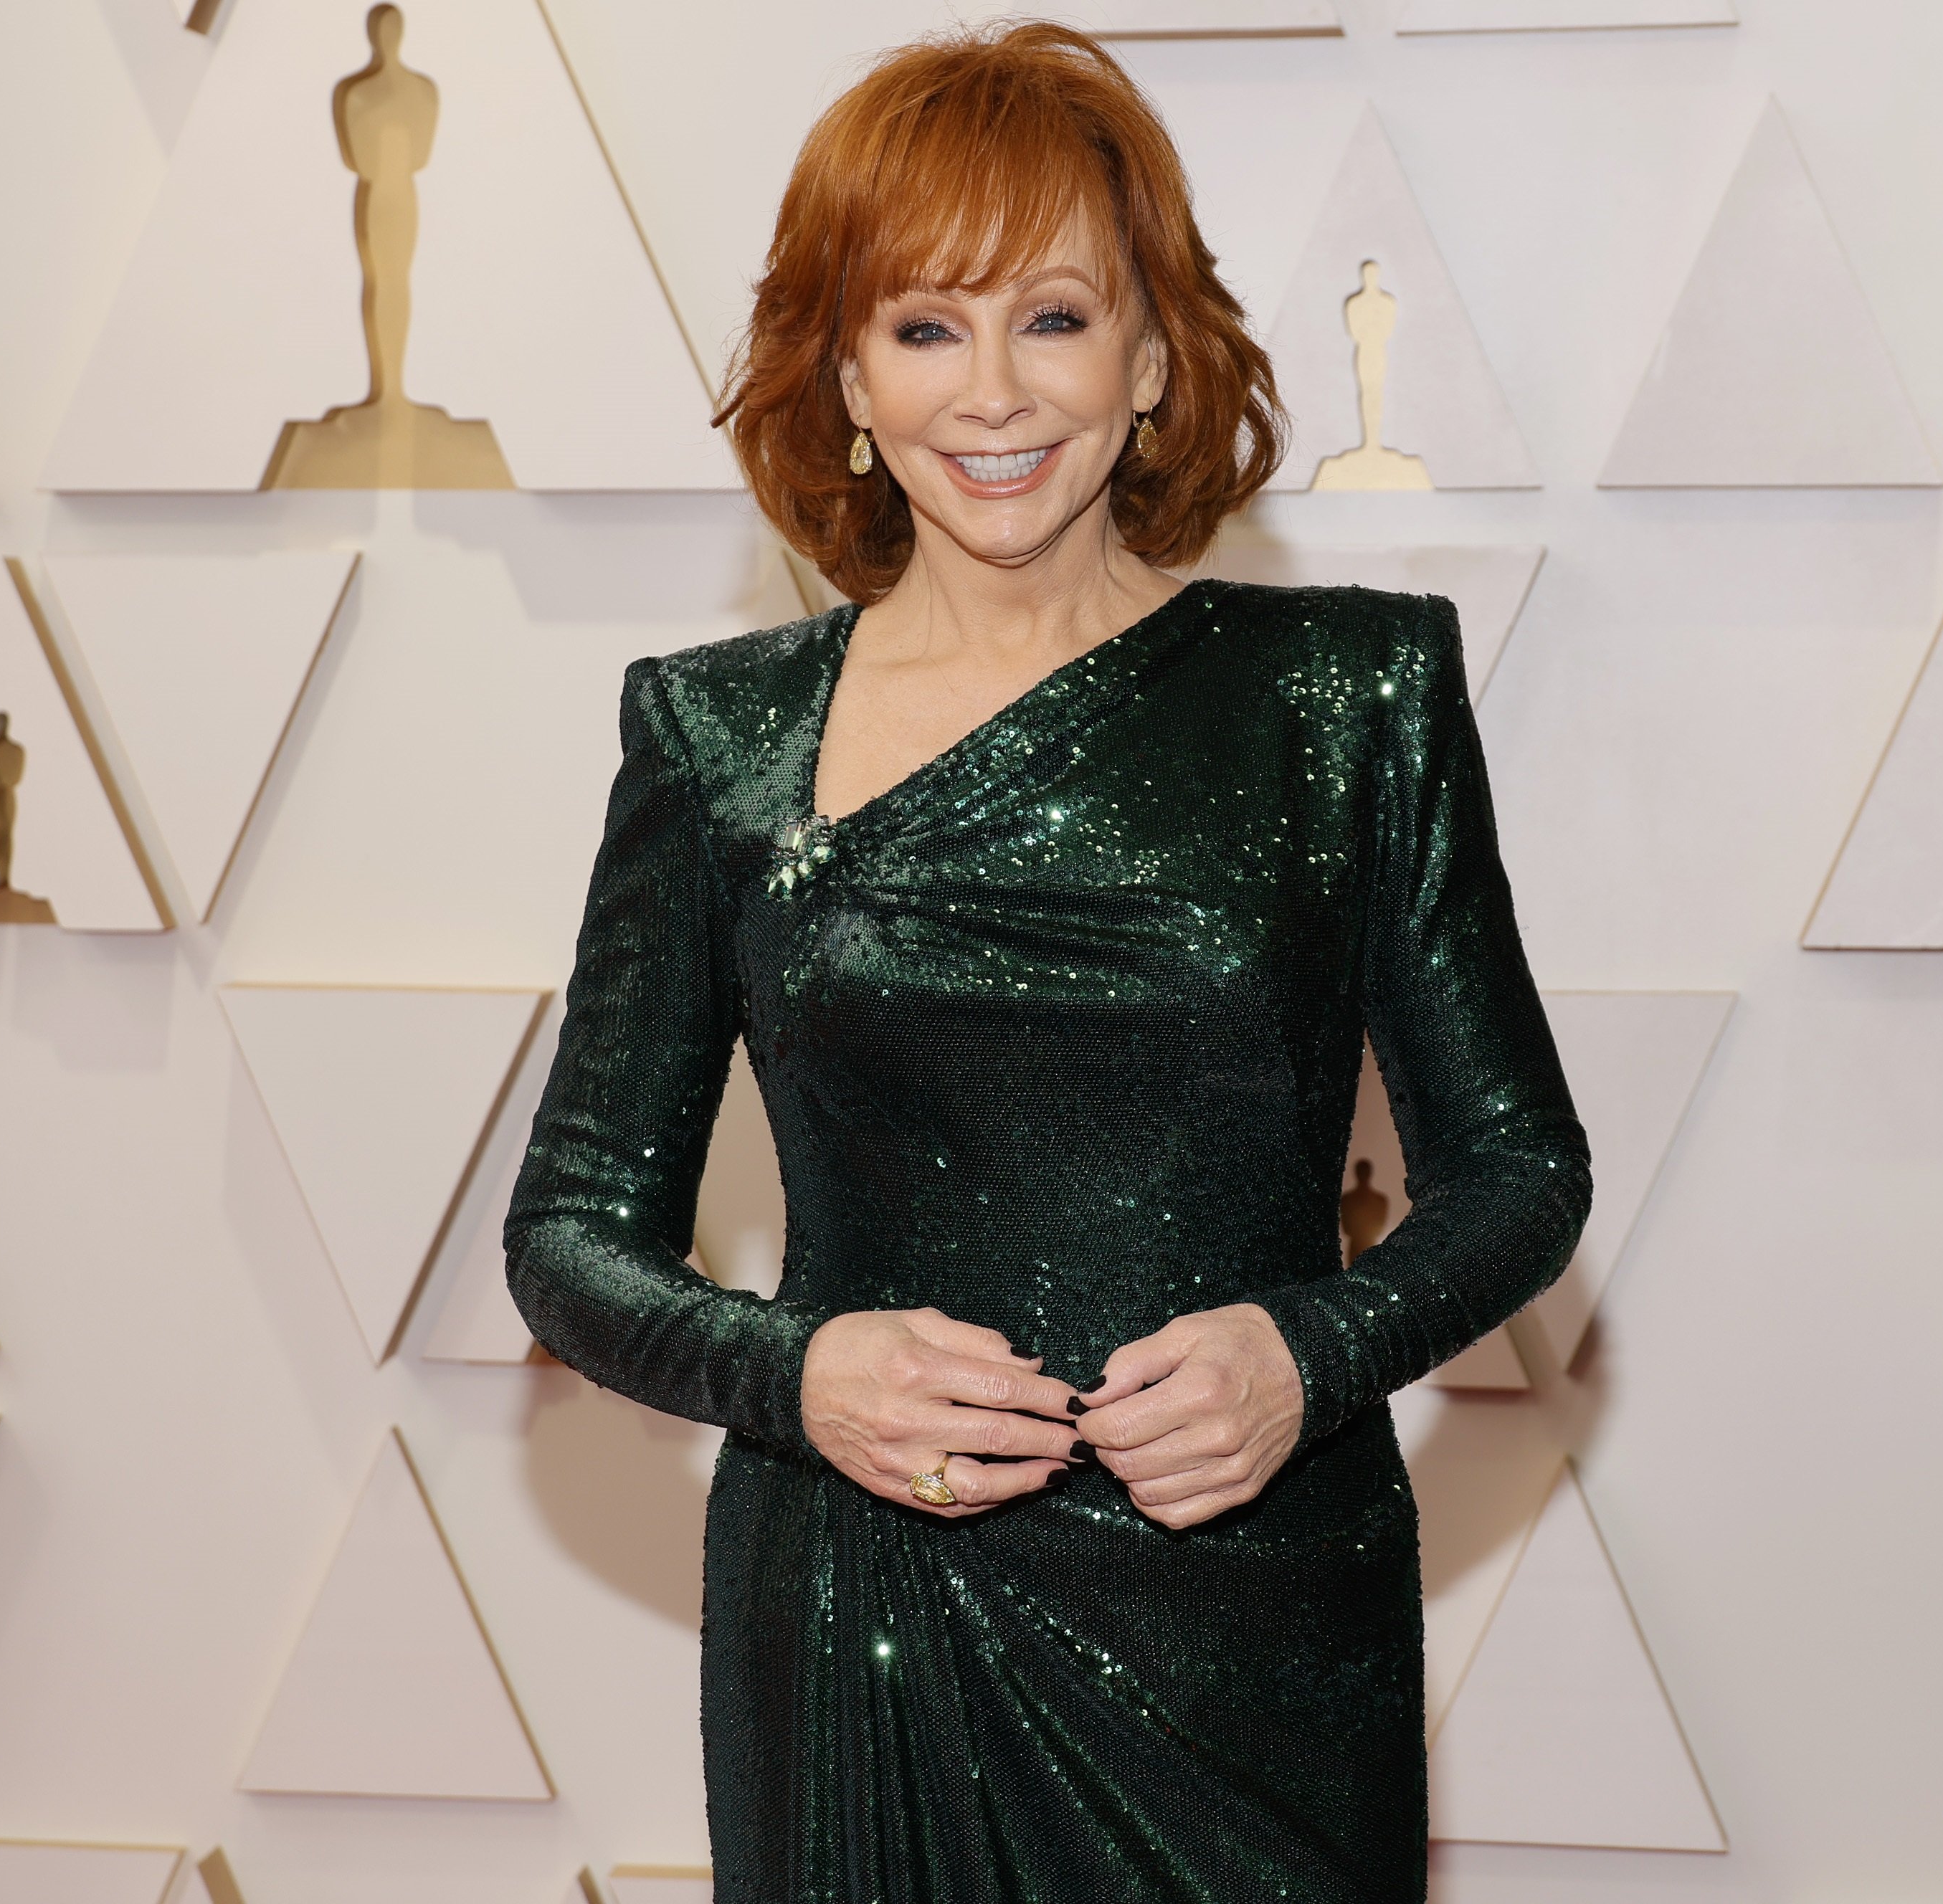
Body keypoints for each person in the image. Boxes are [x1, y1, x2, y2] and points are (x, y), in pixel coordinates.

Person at [505, 24, 1589, 1900]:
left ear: (1157, 356)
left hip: (1247, 1613)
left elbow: (1518, 1171)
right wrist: (800, 1375)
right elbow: (571, 1231)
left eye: (1056, 318)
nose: (992, 393)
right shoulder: (717, 741)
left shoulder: (1352, 697)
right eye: (925, 326)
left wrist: (1310, 1349)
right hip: (866, 1613)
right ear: (843, 374)